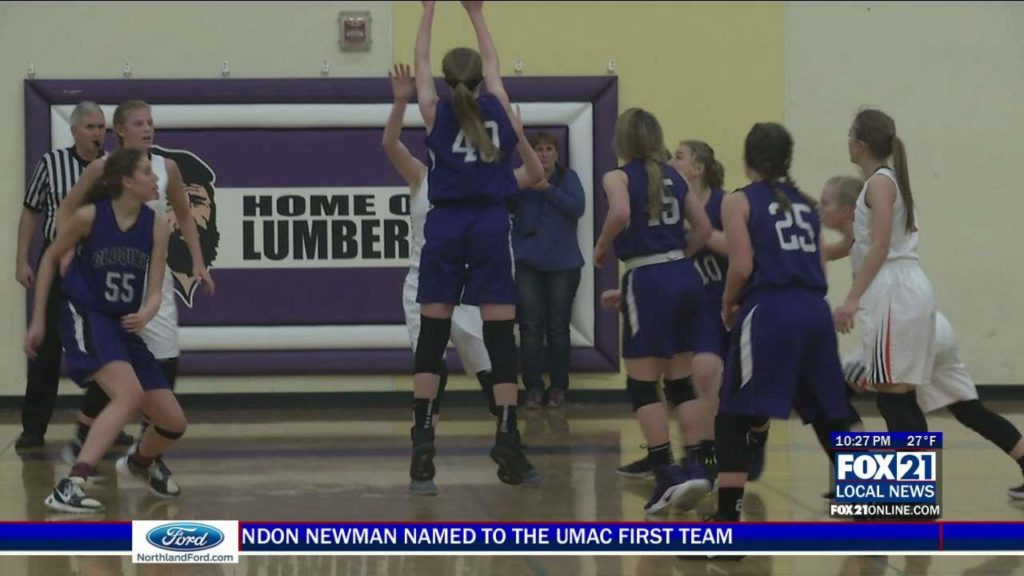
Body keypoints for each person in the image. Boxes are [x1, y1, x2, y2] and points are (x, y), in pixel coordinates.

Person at [820, 175, 1024, 500]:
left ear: (847, 209)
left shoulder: (869, 235)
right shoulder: (867, 231)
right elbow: (827, 252)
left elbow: (843, 253)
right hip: (933, 326)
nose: (819, 209)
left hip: (904, 327)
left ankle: (868, 478)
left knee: (834, 394)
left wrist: (849, 300)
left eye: (825, 203)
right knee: (969, 410)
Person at [410, 1, 545, 491]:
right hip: (489, 224)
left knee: (432, 334)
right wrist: (477, 14)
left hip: (447, 225)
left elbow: (420, 62)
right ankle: (506, 432)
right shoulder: (499, 107)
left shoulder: (435, 112)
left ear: (447, 82)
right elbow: (493, 64)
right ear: (480, 81)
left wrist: (428, 10)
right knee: (500, 335)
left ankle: (424, 437)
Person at [56, 100, 216, 493]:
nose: (148, 129)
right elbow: (67, 209)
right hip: (109, 285)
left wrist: (198, 262)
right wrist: (66, 256)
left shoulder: (167, 168)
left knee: (163, 365)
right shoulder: (103, 169)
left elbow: (183, 214)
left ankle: (147, 457)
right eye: (139, 123)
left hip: (152, 284)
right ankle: (86, 435)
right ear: (120, 131)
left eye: (151, 122)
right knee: (116, 368)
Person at [26, 148, 187, 513]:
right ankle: (71, 483)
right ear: (127, 181)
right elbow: (50, 259)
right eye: (146, 172)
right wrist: (38, 320)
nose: (155, 178)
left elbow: (155, 287)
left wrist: (147, 311)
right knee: (128, 396)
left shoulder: (156, 224)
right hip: (87, 314)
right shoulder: (90, 216)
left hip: (122, 323)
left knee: (173, 422)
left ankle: (140, 462)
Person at [713, 122, 848, 522]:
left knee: (734, 413)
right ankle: (883, 503)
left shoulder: (738, 201)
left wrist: (728, 302)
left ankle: (727, 521)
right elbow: (821, 265)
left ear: (747, 159)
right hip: (814, 310)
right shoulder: (807, 204)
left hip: (771, 308)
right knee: (830, 410)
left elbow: (741, 266)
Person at [593, 108, 713, 515]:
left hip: (647, 278)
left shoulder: (618, 177)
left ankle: (665, 474)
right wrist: (676, 261)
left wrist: (602, 246)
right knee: (681, 383)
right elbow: (702, 229)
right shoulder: (675, 176)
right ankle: (695, 465)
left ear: (622, 140)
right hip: (684, 274)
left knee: (643, 385)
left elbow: (620, 213)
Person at [15, 101, 135, 450]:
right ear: (74, 131)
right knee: (48, 344)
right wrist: (22, 259)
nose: (97, 134)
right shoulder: (52, 163)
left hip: (97, 261)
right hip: (57, 256)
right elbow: (31, 210)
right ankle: (33, 428)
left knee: (106, 343)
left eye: (101, 127)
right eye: (90, 127)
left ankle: (106, 422)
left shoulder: (114, 166)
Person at [616, 140, 733, 483]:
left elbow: (738, 249)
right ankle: (674, 456)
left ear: (697, 169)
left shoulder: (724, 203)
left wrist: (691, 233)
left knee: (699, 373)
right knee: (663, 376)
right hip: (685, 300)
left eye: (678, 156)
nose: (669, 160)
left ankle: (709, 453)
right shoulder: (664, 203)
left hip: (720, 304)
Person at [832, 109, 934, 434]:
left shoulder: (879, 183)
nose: (847, 141)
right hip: (905, 287)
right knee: (900, 396)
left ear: (861, 144)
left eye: (850, 135)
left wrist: (852, 298)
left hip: (893, 291)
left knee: (892, 396)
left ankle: (910, 468)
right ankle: (919, 469)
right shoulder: (889, 180)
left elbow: (880, 246)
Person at [512, 131, 585, 410]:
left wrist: (547, 189)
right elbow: (504, 205)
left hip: (563, 265)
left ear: (557, 153)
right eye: (538, 149)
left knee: (558, 328)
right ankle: (532, 388)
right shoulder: (520, 179)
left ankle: (558, 388)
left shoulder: (568, 178)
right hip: (528, 263)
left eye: (548, 149)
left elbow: (578, 208)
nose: (543, 154)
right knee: (529, 328)